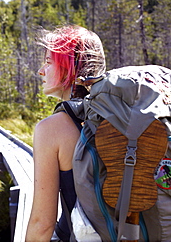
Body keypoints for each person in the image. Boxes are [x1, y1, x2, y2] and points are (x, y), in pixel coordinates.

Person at [25, 25, 106, 242]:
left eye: (49, 62)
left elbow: (42, 224)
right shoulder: (116, 116)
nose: (41, 71)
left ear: (69, 67)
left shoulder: (51, 129)